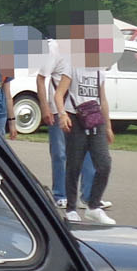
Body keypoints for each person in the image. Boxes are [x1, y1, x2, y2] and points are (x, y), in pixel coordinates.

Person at [48, 13, 116, 225]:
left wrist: (108, 126)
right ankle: (70, 207)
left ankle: (94, 205)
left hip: (95, 119)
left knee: (104, 164)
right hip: (75, 118)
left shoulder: (99, 70)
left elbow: (102, 99)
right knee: (74, 165)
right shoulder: (72, 65)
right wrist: (62, 114)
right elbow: (59, 93)